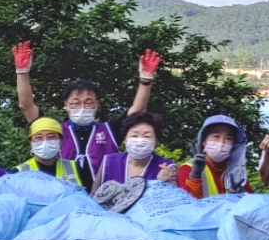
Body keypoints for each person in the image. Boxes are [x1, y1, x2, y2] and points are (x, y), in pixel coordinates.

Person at [12, 41, 162, 191]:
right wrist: (22, 72)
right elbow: (26, 106)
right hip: (67, 198)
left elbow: (137, 112)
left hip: (105, 198)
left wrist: (145, 80)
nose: (82, 108)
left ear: (97, 105)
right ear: (66, 105)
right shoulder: (54, 131)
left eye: (89, 103)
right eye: (76, 103)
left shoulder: (109, 131)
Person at [90, 111, 176, 192]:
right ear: (125, 139)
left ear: (156, 141)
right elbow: (94, 196)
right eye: (134, 135)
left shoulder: (167, 167)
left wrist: (166, 183)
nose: (140, 140)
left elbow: (177, 200)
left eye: (147, 136)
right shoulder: (109, 161)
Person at [178, 115, 251, 198]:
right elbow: (187, 206)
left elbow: (250, 206)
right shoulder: (188, 169)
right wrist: (195, 177)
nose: (222, 142)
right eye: (216, 136)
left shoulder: (238, 173)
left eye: (228, 138)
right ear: (203, 141)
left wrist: (240, 197)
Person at [15, 117, 81, 183]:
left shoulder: (75, 168)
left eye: (51, 137)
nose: (45, 142)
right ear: (31, 142)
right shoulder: (18, 172)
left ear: (60, 141)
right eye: (38, 138)